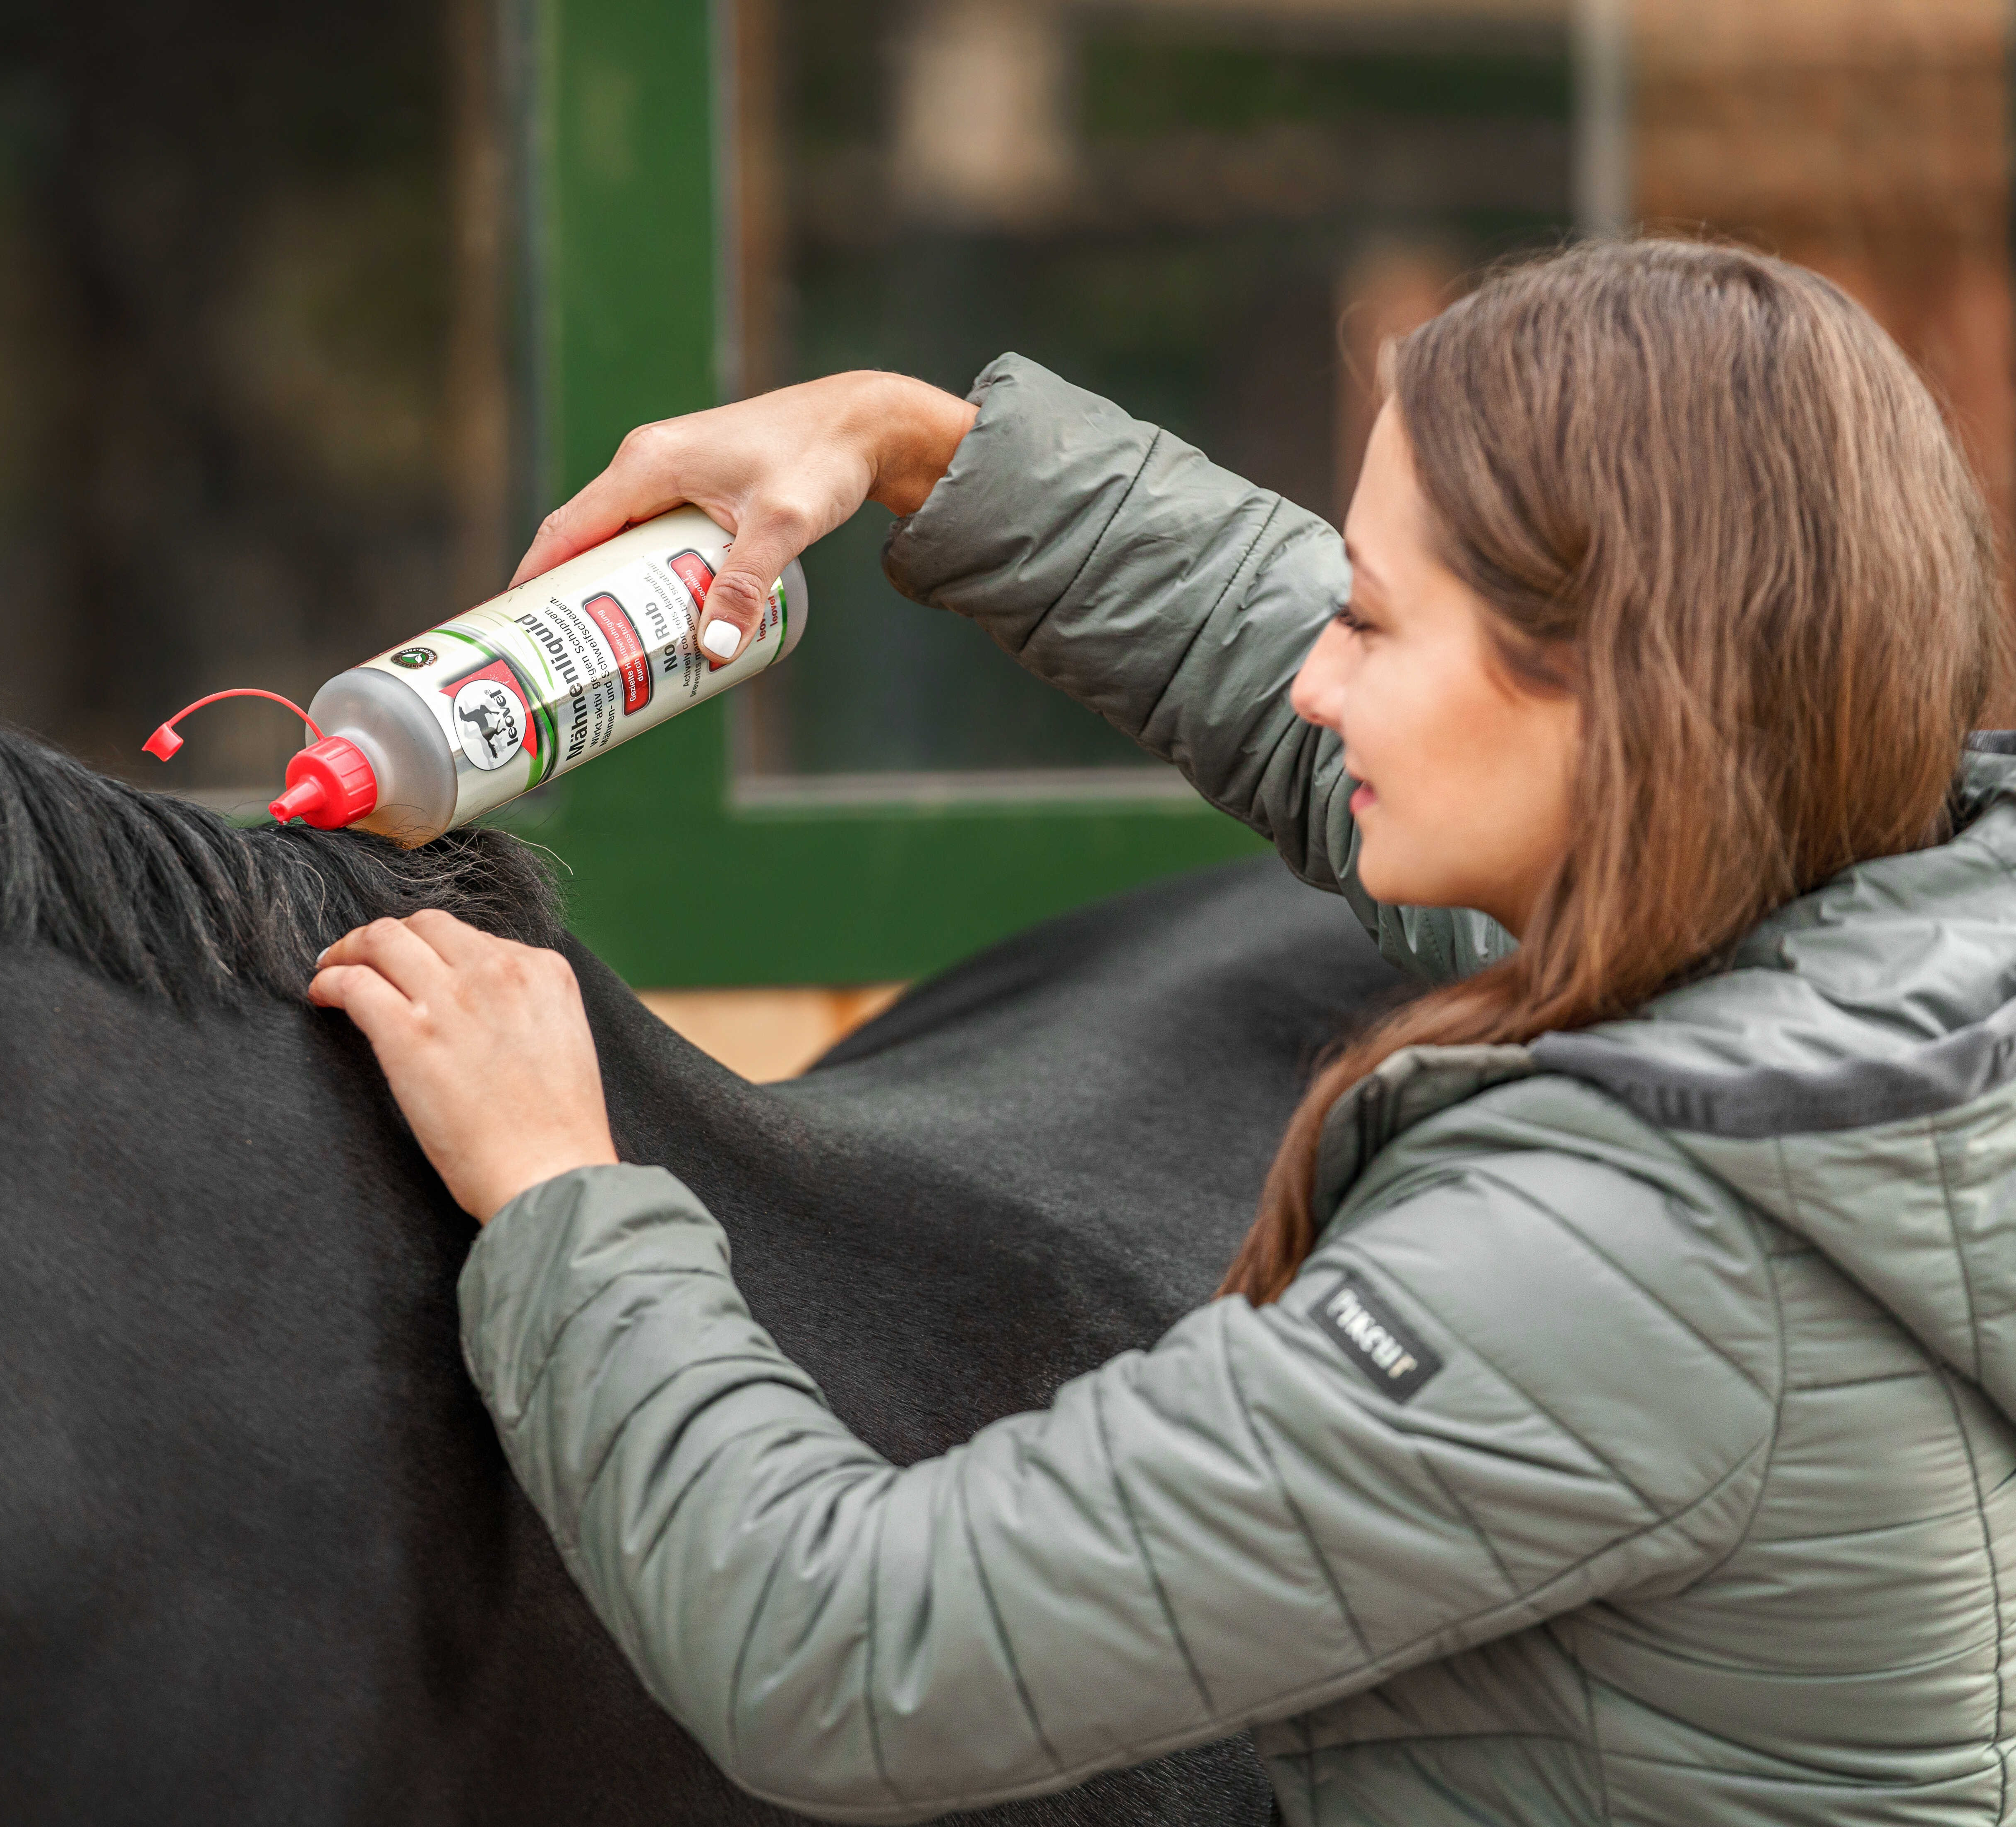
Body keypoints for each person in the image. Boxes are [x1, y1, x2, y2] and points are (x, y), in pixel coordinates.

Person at [306, 238, 2016, 1824]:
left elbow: (853, 1652)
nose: (1321, 682)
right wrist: (910, 443)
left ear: (1617, 691)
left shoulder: (1608, 1265)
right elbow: (1280, 661)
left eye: (1374, 619)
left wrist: (561, 1191)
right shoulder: (1880, 948)